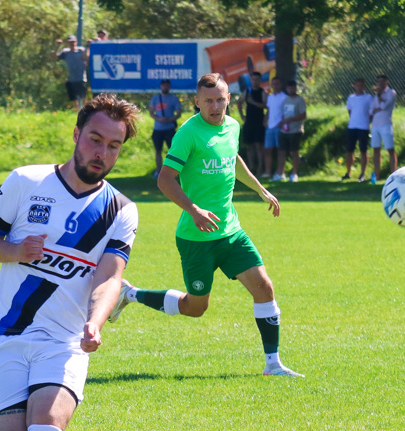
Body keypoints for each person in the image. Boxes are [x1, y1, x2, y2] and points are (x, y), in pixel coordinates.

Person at [0, 94, 141, 431]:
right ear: (76, 135)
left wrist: (95, 321)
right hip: (7, 335)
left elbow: (110, 276)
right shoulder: (26, 182)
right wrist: (15, 249)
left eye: (113, 146)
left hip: (63, 342)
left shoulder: (121, 210)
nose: (101, 153)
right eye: (95, 139)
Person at [109, 73, 303, 378]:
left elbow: (233, 159)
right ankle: (130, 294)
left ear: (228, 99)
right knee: (196, 307)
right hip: (196, 237)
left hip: (231, 231)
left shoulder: (233, 126)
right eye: (208, 101)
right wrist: (194, 209)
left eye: (220, 99)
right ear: (197, 102)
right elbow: (165, 179)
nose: (215, 106)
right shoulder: (188, 134)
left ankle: (273, 364)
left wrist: (260, 189)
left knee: (264, 288)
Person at [149, 79, 182, 179]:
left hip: (170, 129)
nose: (165, 87)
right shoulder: (155, 98)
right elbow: (151, 112)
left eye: (167, 85)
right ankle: (158, 171)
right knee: (158, 151)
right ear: (161, 86)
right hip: (158, 129)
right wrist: (159, 119)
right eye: (163, 85)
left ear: (169, 86)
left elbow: (179, 113)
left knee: (172, 151)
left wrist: (170, 119)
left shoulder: (174, 99)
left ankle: (173, 172)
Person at [274, 80, 307, 183]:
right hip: (285, 130)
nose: (290, 90)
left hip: (295, 130)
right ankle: (280, 173)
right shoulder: (286, 100)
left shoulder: (300, 100)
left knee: (294, 152)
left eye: (292, 88)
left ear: (295, 88)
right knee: (281, 152)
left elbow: (303, 115)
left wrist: (291, 119)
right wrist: (282, 122)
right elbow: (284, 114)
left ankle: (294, 173)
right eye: (289, 88)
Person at [342, 78, 373, 182]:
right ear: (354, 86)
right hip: (352, 127)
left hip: (363, 127)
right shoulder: (351, 98)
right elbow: (349, 111)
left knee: (363, 150)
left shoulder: (368, 98)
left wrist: (367, 121)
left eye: (361, 85)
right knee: (349, 150)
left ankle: (362, 174)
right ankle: (348, 172)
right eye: (357, 85)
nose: (359, 87)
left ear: (364, 86)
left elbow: (371, 112)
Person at [370, 74, 398, 184]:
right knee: (376, 149)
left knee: (390, 149)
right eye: (378, 82)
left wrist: (380, 98)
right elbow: (372, 110)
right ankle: (376, 175)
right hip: (375, 125)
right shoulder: (375, 96)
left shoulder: (391, 93)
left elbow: (385, 106)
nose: (380, 84)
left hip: (386, 124)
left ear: (386, 82)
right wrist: (378, 104)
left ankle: (393, 174)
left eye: (383, 82)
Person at [236, 71, 266, 175]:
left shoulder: (262, 92)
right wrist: (242, 116)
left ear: (260, 80)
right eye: (253, 79)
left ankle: (260, 167)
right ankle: (251, 167)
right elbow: (239, 102)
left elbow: (265, 105)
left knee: (259, 146)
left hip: (259, 123)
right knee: (249, 146)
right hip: (249, 122)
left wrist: (253, 102)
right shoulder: (247, 91)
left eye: (257, 79)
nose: (255, 81)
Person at [55, 35, 87, 110]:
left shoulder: (81, 50)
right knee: (73, 98)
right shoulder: (65, 52)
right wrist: (57, 46)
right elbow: (55, 57)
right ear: (67, 43)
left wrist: (88, 47)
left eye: (73, 42)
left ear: (76, 42)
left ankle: (86, 112)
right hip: (71, 79)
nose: (72, 44)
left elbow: (86, 59)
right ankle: (77, 113)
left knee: (83, 97)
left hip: (81, 78)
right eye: (70, 42)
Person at [264, 77, 286, 180]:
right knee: (268, 150)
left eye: (277, 84)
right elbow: (268, 110)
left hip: (279, 127)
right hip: (270, 127)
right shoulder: (270, 97)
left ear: (280, 85)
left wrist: (283, 122)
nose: (275, 86)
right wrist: (265, 120)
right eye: (273, 84)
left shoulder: (285, 97)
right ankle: (268, 172)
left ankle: (280, 172)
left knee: (280, 151)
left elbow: (286, 112)